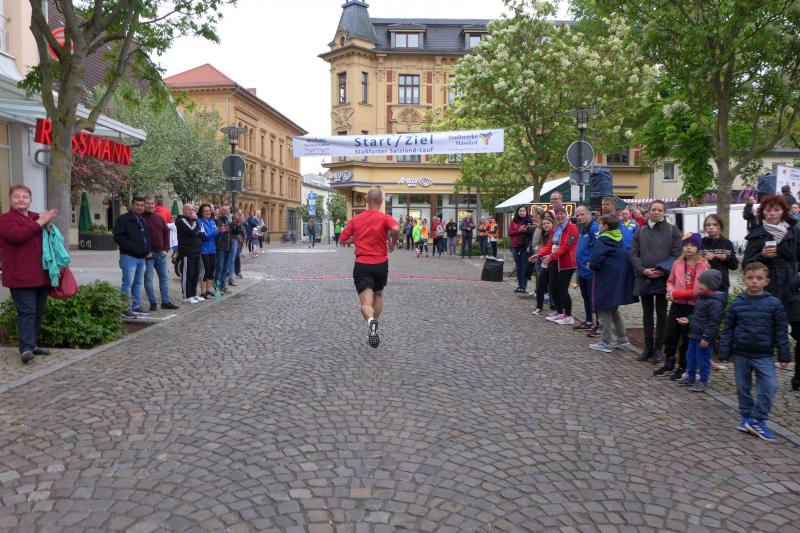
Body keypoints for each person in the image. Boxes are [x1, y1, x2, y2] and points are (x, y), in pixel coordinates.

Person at [720, 262, 790, 442]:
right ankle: (746, 418)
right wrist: (724, 353)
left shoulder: (774, 304)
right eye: (750, 278)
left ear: (766, 281)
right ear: (744, 280)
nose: (754, 281)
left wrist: (784, 354)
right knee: (743, 389)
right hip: (741, 353)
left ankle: (757, 419)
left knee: (769, 386)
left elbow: (781, 331)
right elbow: (728, 329)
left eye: (759, 278)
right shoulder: (737, 303)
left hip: (764, 354)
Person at [742, 194, 800, 392]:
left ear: (783, 211)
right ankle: (763, 377)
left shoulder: (794, 230)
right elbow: (746, 264)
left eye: (776, 210)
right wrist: (762, 255)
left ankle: (798, 377)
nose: (772, 213)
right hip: (767, 291)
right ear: (763, 212)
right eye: (768, 210)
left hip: (791, 289)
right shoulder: (757, 234)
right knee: (763, 336)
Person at [0, 185, 58, 364]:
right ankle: (25, 349)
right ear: (10, 199)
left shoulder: (36, 217)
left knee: (38, 312)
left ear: (30, 200)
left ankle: (32, 345)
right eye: (17, 197)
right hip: (20, 276)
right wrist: (41, 222)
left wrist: (48, 226)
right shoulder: (5, 219)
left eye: (25, 197)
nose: (21, 200)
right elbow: (18, 236)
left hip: (41, 274)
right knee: (27, 312)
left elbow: (49, 241)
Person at [338, 187, 400, 348]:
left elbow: (342, 239)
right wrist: (393, 243)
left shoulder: (356, 219)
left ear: (367, 201)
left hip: (362, 264)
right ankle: (374, 325)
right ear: (381, 201)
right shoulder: (385, 218)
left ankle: (371, 321)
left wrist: (355, 239)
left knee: (366, 302)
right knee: (378, 295)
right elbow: (395, 229)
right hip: (381, 264)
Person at [631, 200, 682, 364]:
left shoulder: (672, 230)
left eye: (660, 210)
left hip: (663, 278)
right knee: (647, 313)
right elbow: (634, 254)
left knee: (661, 314)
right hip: (644, 277)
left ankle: (659, 348)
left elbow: (676, 254)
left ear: (664, 212)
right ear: (648, 211)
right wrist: (642, 270)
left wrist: (662, 269)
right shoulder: (640, 231)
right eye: (654, 209)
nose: (656, 212)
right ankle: (648, 347)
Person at [655, 232, 709, 378]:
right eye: (686, 245)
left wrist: (675, 294)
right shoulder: (677, 263)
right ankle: (669, 361)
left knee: (686, 337)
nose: (688, 248)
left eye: (692, 245)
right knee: (670, 334)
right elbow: (670, 281)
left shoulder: (701, 265)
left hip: (692, 306)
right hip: (677, 305)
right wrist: (670, 291)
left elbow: (697, 290)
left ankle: (684, 366)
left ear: (698, 248)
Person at [587, 213, 636, 352]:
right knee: (613, 310)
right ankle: (622, 338)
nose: (598, 226)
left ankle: (605, 341)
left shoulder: (602, 240)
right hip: (617, 279)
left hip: (606, 279)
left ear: (606, 226)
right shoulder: (619, 237)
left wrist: (591, 266)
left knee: (603, 309)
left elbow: (597, 258)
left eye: (600, 224)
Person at [677, 269, 726, 392]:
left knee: (703, 360)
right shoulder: (702, 298)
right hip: (694, 334)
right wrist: (688, 319)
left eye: (702, 283)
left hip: (704, 337)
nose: (699, 285)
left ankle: (703, 381)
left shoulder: (715, 303)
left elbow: (714, 323)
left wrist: (707, 338)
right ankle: (691, 377)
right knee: (690, 357)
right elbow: (697, 315)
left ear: (710, 284)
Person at [533, 207, 579, 325]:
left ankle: (568, 315)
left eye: (561, 214)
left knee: (562, 289)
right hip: (555, 262)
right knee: (553, 288)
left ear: (566, 215)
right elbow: (550, 245)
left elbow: (566, 246)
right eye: (557, 214)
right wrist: (539, 254)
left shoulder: (572, 228)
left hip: (566, 263)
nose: (559, 216)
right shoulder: (557, 229)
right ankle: (559, 312)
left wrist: (551, 256)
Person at [113, 196, 151, 318]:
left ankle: (136, 305)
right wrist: (132, 248)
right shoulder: (123, 219)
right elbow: (118, 237)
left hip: (141, 258)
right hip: (129, 256)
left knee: (138, 283)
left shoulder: (142, 220)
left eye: (142, 205)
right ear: (132, 205)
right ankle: (124, 308)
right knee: (127, 283)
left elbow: (146, 237)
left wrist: (147, 250)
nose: (140, 207)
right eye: (137, 205)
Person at [142, 195, 177, 312]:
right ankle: (153, 303)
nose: (150, 205)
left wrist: (166, 249)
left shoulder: (159, 218)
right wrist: (145, 251)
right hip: (148, 255)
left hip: (161, 254)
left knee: (164, 278)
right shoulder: (140, 218)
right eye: (148, 203)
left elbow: (166, 234)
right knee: (148, 280)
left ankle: (165, 302)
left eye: (152, 203)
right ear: (144, 204)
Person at [699, 214, 738, 294]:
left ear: (720, 227)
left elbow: (734, 266)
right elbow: (692, 262)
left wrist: (725, 258)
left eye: (715, 225)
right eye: (708, 225)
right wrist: (703, 259)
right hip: (703, 286)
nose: (711, 227)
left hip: (721, 287)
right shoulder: (700, 243)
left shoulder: (727, 243)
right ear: (705, 228)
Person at [574, 205, 599, 331]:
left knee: (594, 298)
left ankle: (599, 324)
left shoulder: (594, 228)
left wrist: (592, 263)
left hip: (591, 272)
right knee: (586, 297)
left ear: (589, 214)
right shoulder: (583, 228)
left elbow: (598, 249)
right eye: (577, 215)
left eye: (582, 214)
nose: (579, 217)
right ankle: (589, 320)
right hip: (582, 270)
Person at [176, 203, 204, 304]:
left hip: (197, 251)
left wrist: (197, 230)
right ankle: (186, 296)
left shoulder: (193, 221)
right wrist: (196, 222)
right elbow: (192, 231)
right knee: (188, 274)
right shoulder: (181, 220)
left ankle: (193, 294)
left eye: (193, 209)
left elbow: (202, 233)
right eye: (189, 209)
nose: (192, 212)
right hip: (187, 252)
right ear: (184, 210)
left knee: (195, 274)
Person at [530, 211, 555, 316]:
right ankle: (539, 306)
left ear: (553, 222)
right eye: (544, 223)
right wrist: (538, 253)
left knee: (552, 284)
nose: (546, 225)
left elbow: (554, 248)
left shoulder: (555, 234)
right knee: (540, 284)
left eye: (548, 222)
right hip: (542, 260)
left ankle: (554, 304)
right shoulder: (542, 233)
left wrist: (548, 254)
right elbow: (537, 245)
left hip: (552, 261)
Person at [508, 206, 533, 294]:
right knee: (518, 267)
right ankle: (519, 286)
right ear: (517, 212)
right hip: (515, 246)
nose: (522, 212)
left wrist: (526, 230)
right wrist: (519, 230)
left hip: (525, 246)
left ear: (526, 211)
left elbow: (532, 233)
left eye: (523, 211)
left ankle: (524, 287)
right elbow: (510, 233)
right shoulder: (514, 221)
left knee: (524, 266)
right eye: (520, 211)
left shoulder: (530, 221)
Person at [197, 204, 217, 300]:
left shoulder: (212, 222)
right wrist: (216, 232)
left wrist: (221, 232)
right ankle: (203, 291)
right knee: (205, 270)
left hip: (212, 249)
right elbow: (204, 237)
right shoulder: (199, 222)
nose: (208, 212)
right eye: (205, 211)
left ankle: (209, 290)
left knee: (211, 270)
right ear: (201, 212)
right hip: (204, 250)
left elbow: (215, 236)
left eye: (209, 211)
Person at [214, 204, 232, 292]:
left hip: (228, 247)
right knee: (220, 267)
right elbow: (217, 232)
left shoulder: (229, 221)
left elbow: (232, 233)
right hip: (220, 246)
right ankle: (217, 286)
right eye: (223, 210)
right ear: (221, 211)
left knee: (225, 268)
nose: (225, 212)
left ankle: (222, 285)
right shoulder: (218, 220)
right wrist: (222, 229)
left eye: (227, 210)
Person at [229, 212, 246, 283]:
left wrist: (239, 224)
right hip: (231, 240)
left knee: (236, 256)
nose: (240, 218)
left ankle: (235, 272)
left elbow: (238, 231)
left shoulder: (238, 223)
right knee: (231, 259)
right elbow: (233, 232)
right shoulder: (232, 222)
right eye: (239, 217)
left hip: (236, 241)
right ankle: (231, 275)